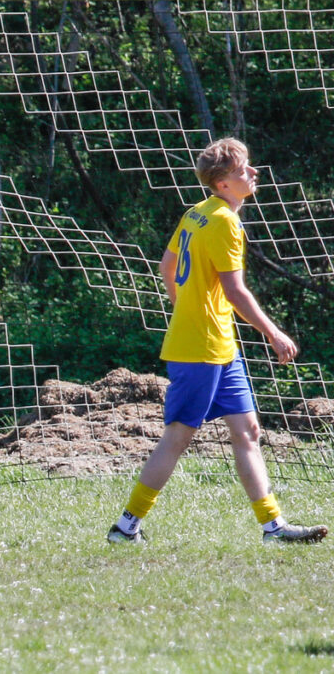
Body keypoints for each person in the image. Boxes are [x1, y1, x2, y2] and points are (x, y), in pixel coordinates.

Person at [107, 137, 327, 545]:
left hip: (219, 344)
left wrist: (185, 308)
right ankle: (126, 526)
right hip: (201, 348)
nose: (253, 173)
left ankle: (273, 528)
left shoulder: (197, 213)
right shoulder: (225, 222)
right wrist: (273, 332)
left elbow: (167, 266)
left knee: (247, 431)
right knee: (178, 436)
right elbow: (235, 291)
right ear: (223, 183)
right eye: (244, 170)